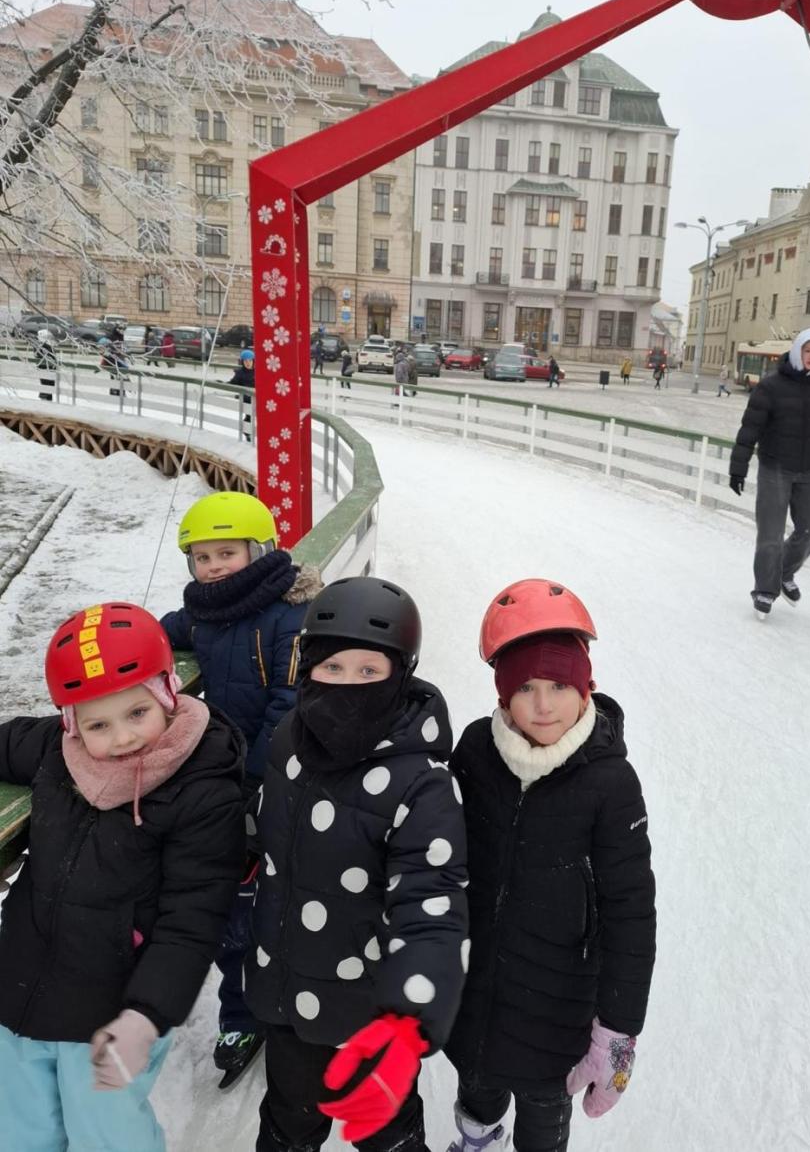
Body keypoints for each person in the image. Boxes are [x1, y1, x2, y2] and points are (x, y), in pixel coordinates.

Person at [0, 602, 244, 1152]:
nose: (123, 737)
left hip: (114, 1004)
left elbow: (193, 918)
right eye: (98, 725)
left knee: (106, 1135)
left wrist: (147, 1014)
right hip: (20, 989)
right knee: (22, 1133)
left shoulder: (201, 787)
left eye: (138, 713)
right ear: (71, 724)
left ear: (166, 695)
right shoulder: (56, 750)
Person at [246, 576, 468, 1152]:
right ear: (308, 668)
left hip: (371, 1018)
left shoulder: (421, 785)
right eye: (333, 668)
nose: (348, 686)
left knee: (388, 1136)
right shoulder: (290, 739)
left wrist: (406, 1028)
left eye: (369, 672)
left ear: (400, 676)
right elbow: (262, 826)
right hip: (287, 996)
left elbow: (432, 909)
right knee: (287, 1123)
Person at [446, 579, 656, 1152]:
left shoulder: (610, 782)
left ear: (585, 687)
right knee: (478, 1089)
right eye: (526, 688)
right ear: (501, 694)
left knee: (544, 1113)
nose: (543, 705)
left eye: (560, 685)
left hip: (559, 1006)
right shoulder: (475, 753)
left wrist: (617, 1030)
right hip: (477, 989)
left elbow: (631, 913)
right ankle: (476, 1141)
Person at [160, 492, 321, 1087]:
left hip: (272, 782)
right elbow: (164, 633)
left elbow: (288, 704)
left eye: (227, 553)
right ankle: (243, 1008)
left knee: (258, 903)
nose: (214, 567)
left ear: (259, 551)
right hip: (224, 781)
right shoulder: (204, 611)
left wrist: (251, 783)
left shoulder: (289, 614)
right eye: (202, 557)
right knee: (228, 903)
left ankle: (262, 1005)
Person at [729, 326, 810, 616]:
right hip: (775, 468)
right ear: (797, 351)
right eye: (807, 351)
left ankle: (784, 572)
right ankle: (765, 590)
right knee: (771, 534)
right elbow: (750, 428)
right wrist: (738, 468)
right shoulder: (770, 386)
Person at [227, 347, 255, 442]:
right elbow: (232, 383)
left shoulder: (257, 371)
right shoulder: (240, 373)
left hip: (257, 398)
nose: (248, 363)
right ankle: (247, 432)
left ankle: (249, 431)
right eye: (246, 361)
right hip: (246, 398)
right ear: (242, 362)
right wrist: (223, 383)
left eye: (250, 360)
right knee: (250, 415)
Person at [34, 327, 58, 401]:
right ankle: (45, 398)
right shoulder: (41, 346)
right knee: (46, 384)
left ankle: (47, 398)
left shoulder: (45, 345)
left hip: (49, 368)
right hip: (45, 368)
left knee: (49, 384)